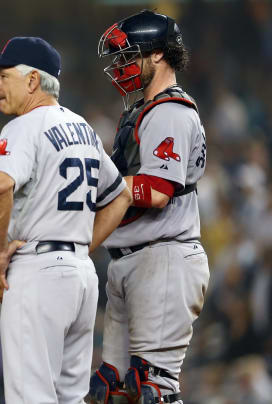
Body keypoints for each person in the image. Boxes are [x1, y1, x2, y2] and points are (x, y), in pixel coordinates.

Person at [0, 36, 132, 403]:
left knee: (32, 396)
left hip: (39, 275)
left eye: (3, 75)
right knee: (71, 398)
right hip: (80, 277)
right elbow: (121, 195)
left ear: (32, 81)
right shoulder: (83, 128)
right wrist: (82, 245)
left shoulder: (22, 126)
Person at [87, 10, 210, 404]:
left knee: (154, 388)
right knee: (112, 389)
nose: (121, 66)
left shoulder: (169, 112)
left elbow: (156, 191)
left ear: (157, 55)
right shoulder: (143, 110)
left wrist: (100, 187)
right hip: (135, 260)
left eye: (129, 55)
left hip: (164, 257)